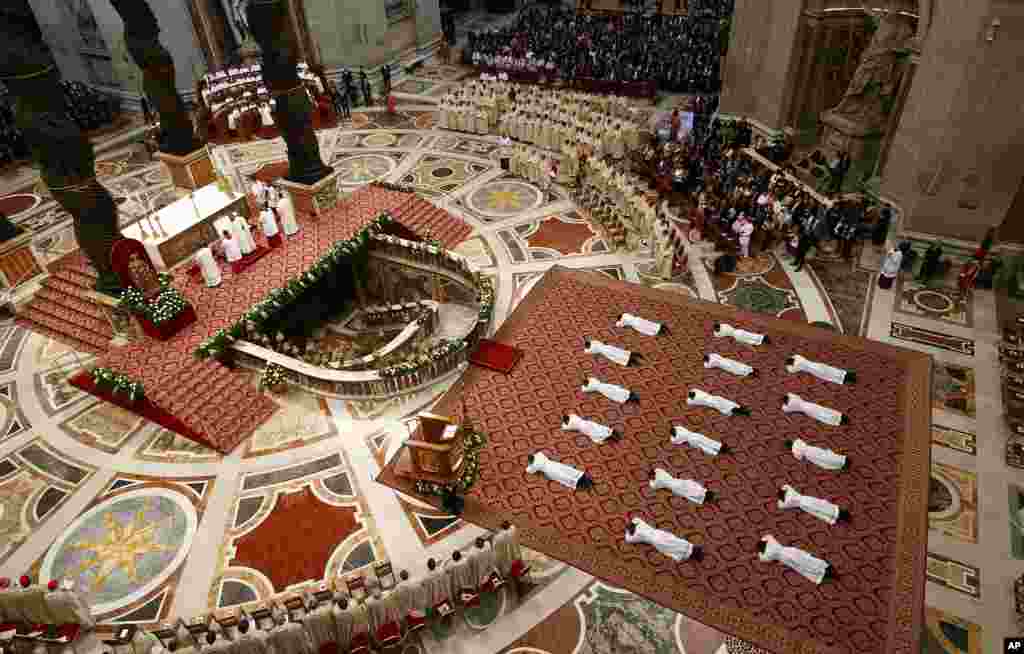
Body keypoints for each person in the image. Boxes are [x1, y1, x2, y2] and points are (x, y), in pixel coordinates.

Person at [758, 535, 833, 584]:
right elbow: (767, 536)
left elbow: (762, 559)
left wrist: (759, 552)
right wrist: (762, 540)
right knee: (806, 559)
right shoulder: (771, 541)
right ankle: (823, 566)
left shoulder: (766, 555)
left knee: (802, 567)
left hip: (785, 559)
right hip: (789, 551)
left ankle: (820, 573)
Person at [625, 517, 701, 561]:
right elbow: (636, 519)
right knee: (676, 540)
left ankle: (691, 554)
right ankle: (693, 548)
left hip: (657, 541)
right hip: (660, 533)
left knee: (672, 548)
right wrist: (632, 523)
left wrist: (627, 532)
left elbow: (628, 539)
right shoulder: (641, 524)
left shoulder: (637, 535)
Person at [526, 452, 593, 489]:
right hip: (555, 464)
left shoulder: (534, 465)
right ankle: (585, 479)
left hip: (550, 471)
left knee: (564, 477)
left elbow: (528, 471)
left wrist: (530, 464)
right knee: (568, 470)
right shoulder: (539, 455)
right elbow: (540, 454)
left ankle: (583, 484)